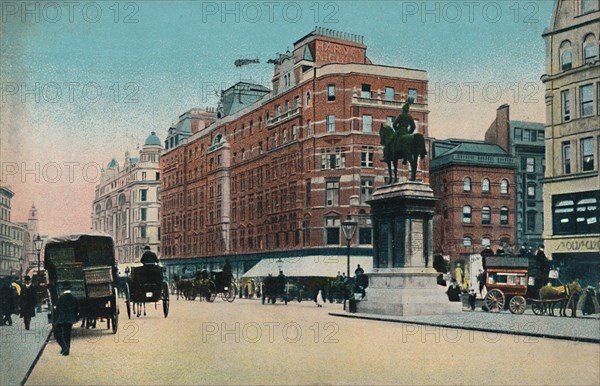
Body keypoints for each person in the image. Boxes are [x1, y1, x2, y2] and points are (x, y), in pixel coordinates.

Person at [53, 281, 79, 356]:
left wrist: (55, 320)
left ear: (63, 289)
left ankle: (64, 347)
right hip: (70, 319)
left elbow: (57, 310)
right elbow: (77, 310)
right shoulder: (74, 298)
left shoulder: (60, 298)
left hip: (61, 319)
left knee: (57, 333)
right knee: (67, 334)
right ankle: (67, 350)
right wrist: (75, 318)